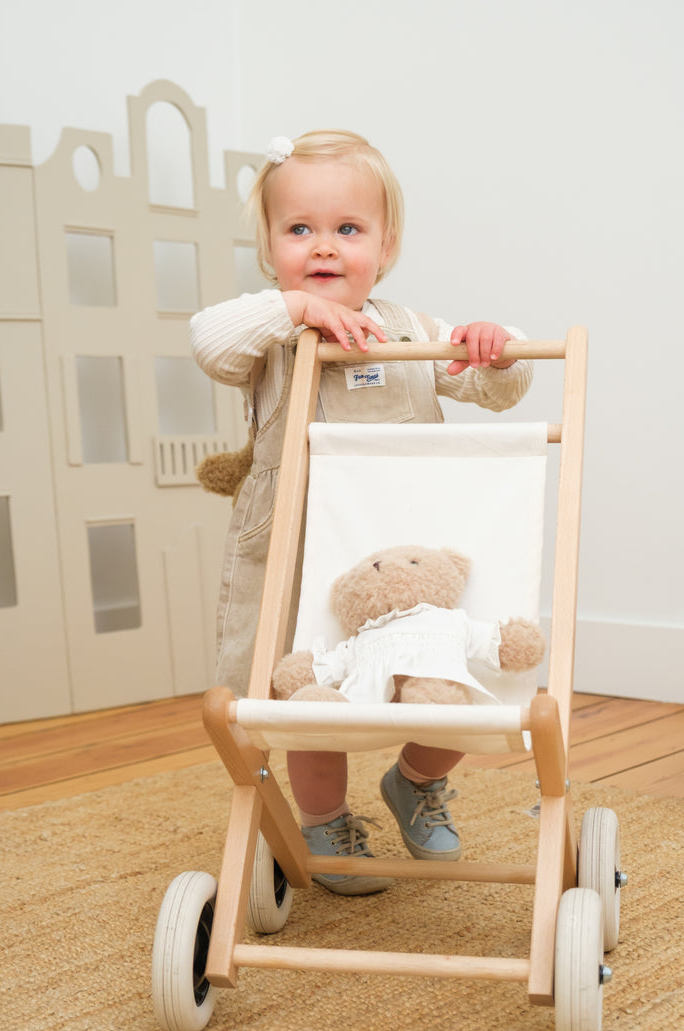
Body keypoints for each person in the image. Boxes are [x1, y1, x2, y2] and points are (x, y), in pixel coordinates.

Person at [190, 129, 533, 895]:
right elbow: (209, 342)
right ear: (270, 246)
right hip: (306, 556)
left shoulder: (411, 329)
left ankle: (415, 779)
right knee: (307, 698)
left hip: (412, 565)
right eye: (299, 229)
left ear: (387, 245)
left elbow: (496, 389)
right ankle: (324, 826)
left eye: (348, 229)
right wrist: (294, 307)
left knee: (461, 687)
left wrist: (494, 346)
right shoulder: (271, 334)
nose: (324, 247)